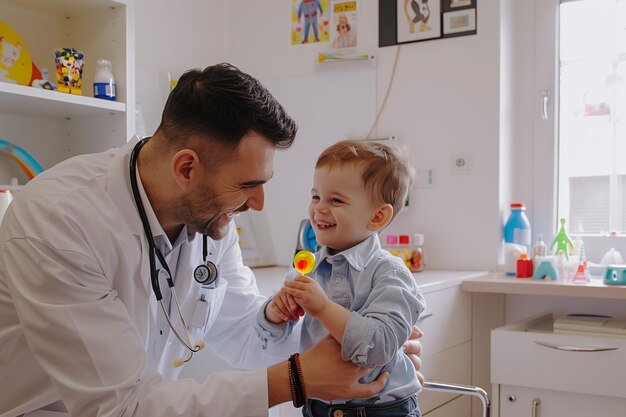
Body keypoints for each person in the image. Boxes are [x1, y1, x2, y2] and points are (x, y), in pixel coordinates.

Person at [0, 63, 423, 417]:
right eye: (248, 185)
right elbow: (122, 407)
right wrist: (298, 378)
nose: (258, 204)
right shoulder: (58, 221)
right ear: (186, 169)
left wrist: (363, 349)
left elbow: (244, 336)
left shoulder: (208, 218)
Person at [255, 140, 426, 416]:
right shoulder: (305, 268)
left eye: (335, 200)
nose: (319, 209)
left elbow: (378, 347)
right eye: (315, 197)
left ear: (378, 216)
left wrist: (322, 308)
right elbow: (268, 336)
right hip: (318, 406)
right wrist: (276, 311)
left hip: (382, 410)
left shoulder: (391, 274)